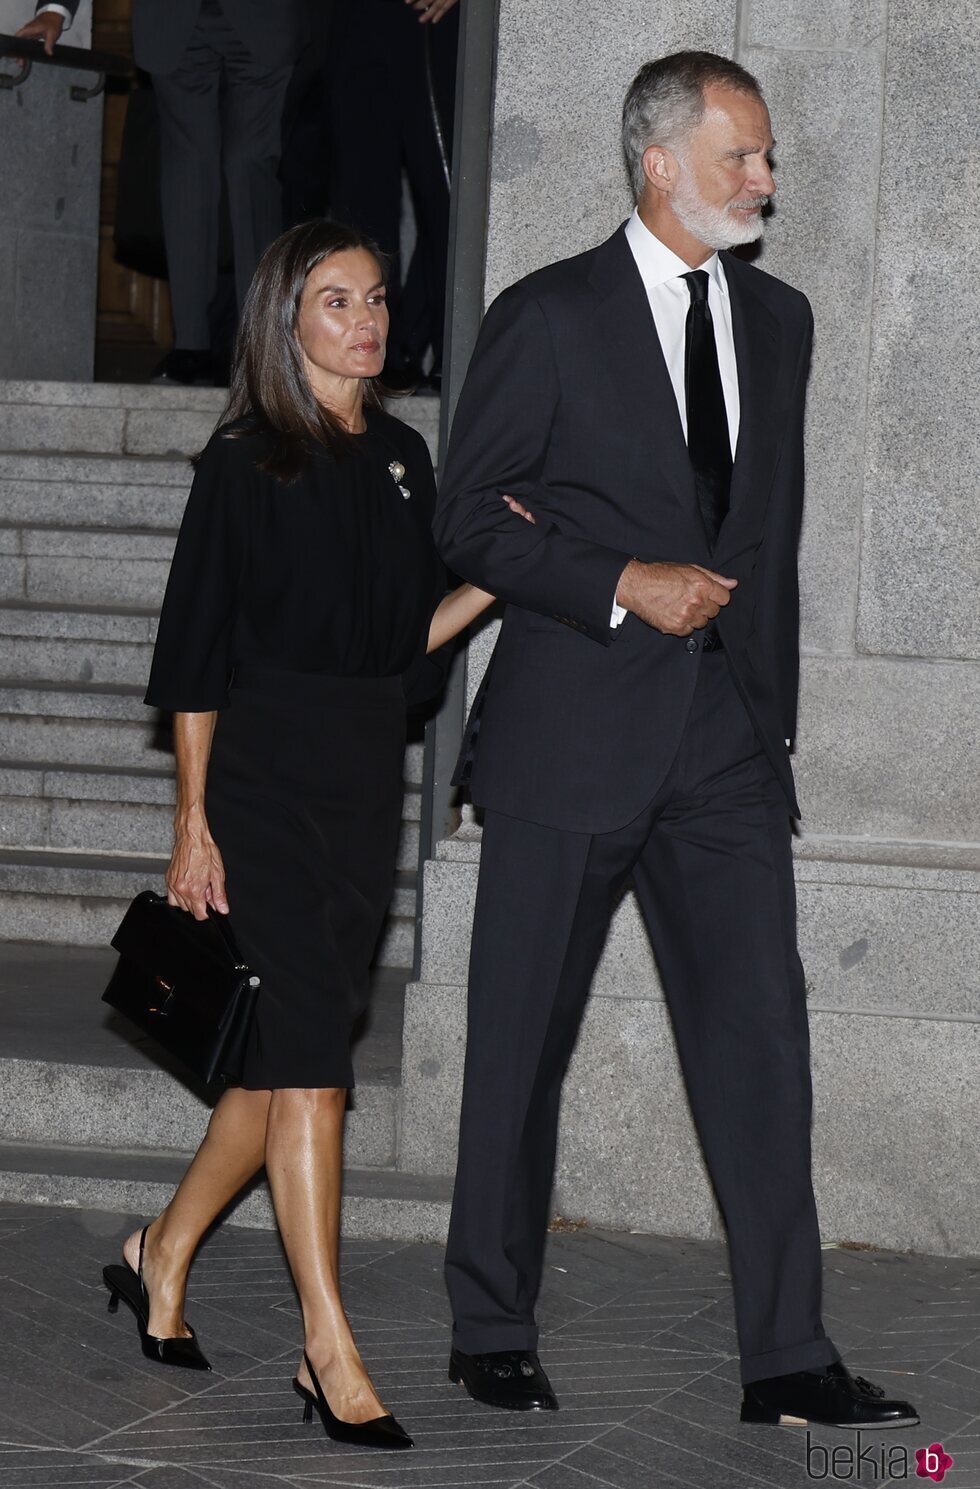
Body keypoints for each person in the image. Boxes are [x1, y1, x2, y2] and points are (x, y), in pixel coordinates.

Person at [432, 51, 920, 1432]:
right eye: (742, 158)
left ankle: (788, 1357)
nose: (765, 181)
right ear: (659, 161)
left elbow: (766, 533)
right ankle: (491, 1320)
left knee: (763, 1046)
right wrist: (615, 579)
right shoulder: (548, 315)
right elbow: (467, 521)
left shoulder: (782, 320)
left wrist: (772, 726)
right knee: (520, 1045)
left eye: (766, 162)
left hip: (724, 747)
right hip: (568, 733)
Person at [100, 219, 496, 1451]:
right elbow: (195, 658)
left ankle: (161, 1249)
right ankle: (327, 1349)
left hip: (358, 782)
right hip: (261, 786)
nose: (366, 320)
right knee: (313, 1066)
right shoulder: (242, 463)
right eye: (335, 300)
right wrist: (191, 822)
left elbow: (397, 646)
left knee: (275, 1063)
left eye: (375, 298)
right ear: (287, 319)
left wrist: (504, 575)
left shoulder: (401, 457)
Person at [23, 0, 303, 386]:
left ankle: (263, 347)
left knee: (249, 166)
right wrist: (55, 9)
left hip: (263, 15)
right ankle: (191, 347)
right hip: (173, 16)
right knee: (188, 168)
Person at [327, 0, 460, 391]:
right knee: (362, 205)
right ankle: (376, 349)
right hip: (359, 20)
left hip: (435, 21)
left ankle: (446, 345)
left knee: (445, 194)